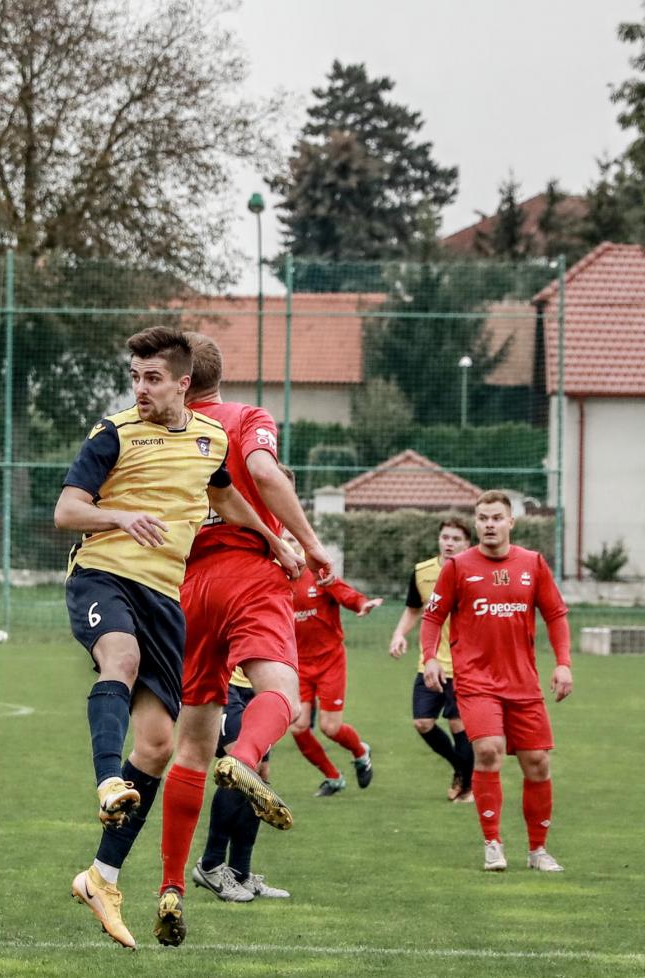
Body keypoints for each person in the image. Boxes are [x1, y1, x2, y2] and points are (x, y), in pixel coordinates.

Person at [56, 326, 302, 949]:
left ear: (183, 384)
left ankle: (102, 877)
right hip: (104, 575)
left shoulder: (210, 436)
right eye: (135, 377)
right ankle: (107, 780)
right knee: (120, 656)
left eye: (153, 378)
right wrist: (119, 516)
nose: (140, 388)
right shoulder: (112, 433)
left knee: (160, 745)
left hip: (168, 599)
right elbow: (66, 511)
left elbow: (227, 495)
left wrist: (275, 542)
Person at [154, 333, 332, 943]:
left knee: (190, 748)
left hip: (183, 588)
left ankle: (172, 887)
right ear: (219, 376)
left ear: (180, 380)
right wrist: (308, 543)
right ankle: (247, 758)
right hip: (247, 572)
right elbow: (260, 469)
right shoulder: (244, 417)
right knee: (282, 690)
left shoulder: (158, 432)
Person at [421, 490, 572, 873]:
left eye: (496, 518)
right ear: (476, 523)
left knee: (537, 762)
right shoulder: (458, 566)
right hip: (477, 681)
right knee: (489, 750)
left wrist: (563, 664)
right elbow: (433, 617)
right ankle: (493, 844)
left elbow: (555, 615)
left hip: (523, 683)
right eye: (483, 518)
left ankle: (538, 851)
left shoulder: (533, 563)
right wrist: (429, 658)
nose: (489, 524)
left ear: (510, 522)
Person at [389, 518, 476, 802]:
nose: (449, 543)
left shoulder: (476, 572)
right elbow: (414, 609)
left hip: (465, 665)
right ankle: (461, 769)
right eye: (445, 537)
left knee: (458, 724)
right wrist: (399, 634)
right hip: (430, 662)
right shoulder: (422, 572)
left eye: (456, 539)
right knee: (423, 722)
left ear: (467, 544)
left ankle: (466, 787)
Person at [286, 543, 382, 796]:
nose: (289, 545)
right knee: (298, 726)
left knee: (330, 727)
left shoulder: (319, 573)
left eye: (294, 539)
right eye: (284, 538)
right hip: (299, 665)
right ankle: (333, 777)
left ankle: (360, 753)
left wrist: (362, 604)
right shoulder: (275, 579)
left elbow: (347, 595)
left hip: (330, 662)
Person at [190, 666, 291, 903]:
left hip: (259, 685)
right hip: (227, 682)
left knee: (259, 773)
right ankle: (210, 864)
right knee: (240, 768)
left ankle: (240, 873)